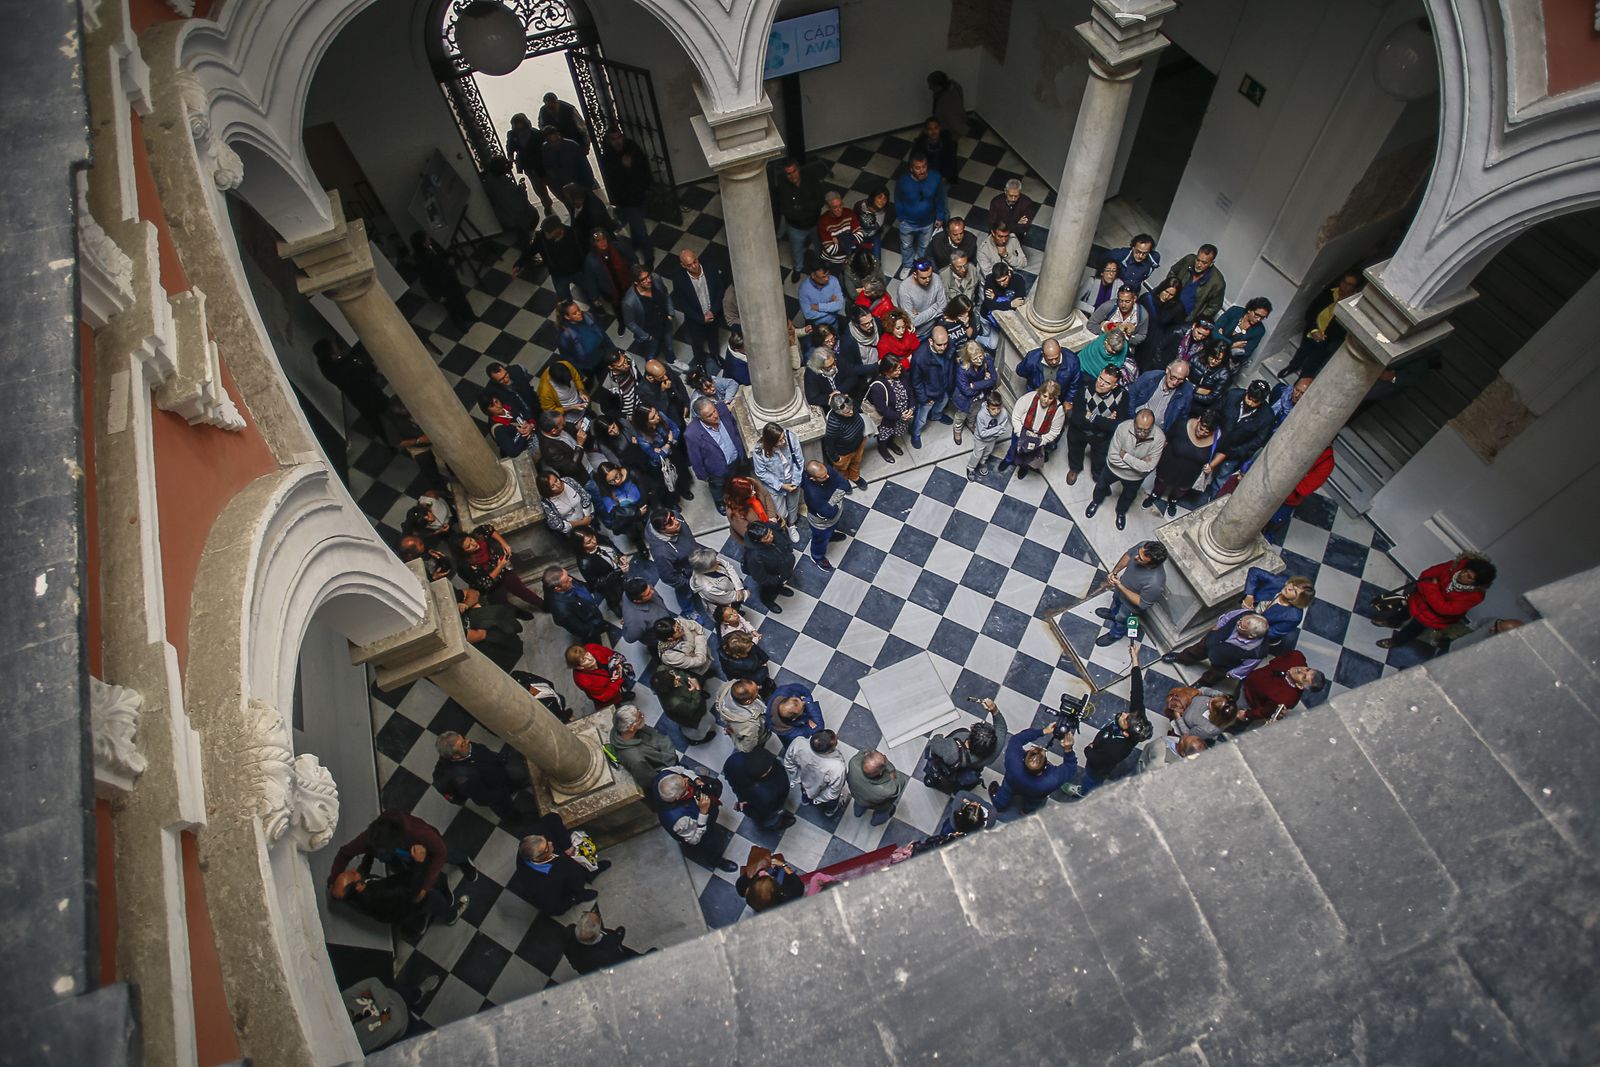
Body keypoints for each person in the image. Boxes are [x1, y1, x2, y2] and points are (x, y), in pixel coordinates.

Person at [328, 811, 474, 904]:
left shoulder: (418, 833)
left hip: (428, 849)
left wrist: (425, 887)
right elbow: (344, 853)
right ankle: (440, 883)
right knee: (420, 873)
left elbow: (440, 852)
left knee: (449, 854)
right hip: (403, 860)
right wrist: (334, 879)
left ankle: (464, 861)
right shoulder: (370, 838)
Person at [1072, 649, 1155, 794]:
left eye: (1124, 719)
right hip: (1103, 749)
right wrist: (1135, 659)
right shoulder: (1137, 717)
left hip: (1098, 768)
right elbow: (1137, 691)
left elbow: (1096, 761)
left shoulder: (1116, 749)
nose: (1123, 714)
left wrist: (1088, 749)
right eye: (1126, 715)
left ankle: (1084, 792)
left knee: (1091, 779)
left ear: (1126, 733)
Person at [1376, 556, 1497, 650]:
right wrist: (1435, 595)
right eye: (1465, 571)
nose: (1463, 574)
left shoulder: (1475, 596)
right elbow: (1425, 575)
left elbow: (1444, 609)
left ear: (1475, 584)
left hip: (1434, 616)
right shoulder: (1453, 566)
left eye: (1469, 577)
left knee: (1413, 629)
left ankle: (1396, 641)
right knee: (1404, 610)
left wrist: (1432, 587)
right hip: (1419, 599)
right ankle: (1392, 622)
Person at [1085, 410, 1166, 530]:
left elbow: (1149, 467)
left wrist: (1125, 456)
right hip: (1113, 469)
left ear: (1153, 426)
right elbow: (1113, 457)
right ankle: (1096, 501)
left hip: (1135, 478)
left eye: (1146, 430)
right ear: (1134, 423)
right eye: (1139, 429)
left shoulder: (1159, 438)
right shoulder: (1123, 428)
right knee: (1101, 486)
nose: (1142, 433)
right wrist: (1139, 463)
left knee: (1128, 496)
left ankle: (1121, 512)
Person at [514, 817, 610, 913]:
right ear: (537, 858)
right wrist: (572, 899)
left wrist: (567, 846)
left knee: (573, 870)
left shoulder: (534, 836)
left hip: (567, 864)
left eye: (546, 840)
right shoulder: (540, 883)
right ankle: (579, 894)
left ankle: (589, 872)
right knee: (573, 880)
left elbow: (552, 818)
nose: (551, 843)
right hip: (564, 888)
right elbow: (554, 906)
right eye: (547, 847)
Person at [431, 731, 533, 822]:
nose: (468, 741)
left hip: (497, 774)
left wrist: (498, 759)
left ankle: (514, 786)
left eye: (464, 739)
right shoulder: (463, 778)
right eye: (463, 744)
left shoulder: (467, 748)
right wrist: (502, 793)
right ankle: (516, 820)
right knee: (505, 809)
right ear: (456, 756)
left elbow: (484, 753)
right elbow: (483, 799)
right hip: (494, 791)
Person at [653, 767, 739, 871]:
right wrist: (703, 812)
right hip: (698, 831)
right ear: (678, 797)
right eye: (685, 784)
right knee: (709, 843)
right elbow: (694, 839)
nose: (686, 779)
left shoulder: (664, 776)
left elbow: (681, 770)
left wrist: (695, 779)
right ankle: (715, 860)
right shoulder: (679, 820)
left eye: (683, 779)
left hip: (695, 812)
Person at [1283, 270, 1363, 380]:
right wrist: (1314, 330)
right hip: (1313, 332)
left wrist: (1326, 337)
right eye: (1344, 282)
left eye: (1349, 285)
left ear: (1354, 288)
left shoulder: (1352, 307)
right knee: (1302, 352)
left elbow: (1346, 329)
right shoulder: (1328, 293)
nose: (1344, 286)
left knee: (1312, 364)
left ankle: (1301, 382)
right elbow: (1311, 312)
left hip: (1327, 341)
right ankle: (1292, 367)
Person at [1145, 406, 1221, 517]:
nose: (1202, 433)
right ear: (1199, 419)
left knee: (1181, 489)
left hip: (1190, 473)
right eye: (1201, 428)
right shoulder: (1181, 424)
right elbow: (1166, 440)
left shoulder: (1218, 438)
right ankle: (1154, 495)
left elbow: (1223, 452)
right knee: (1161, 482)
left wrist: (1212, 465)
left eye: (1206, 432)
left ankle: (1173, 501)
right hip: (1169, 464)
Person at [1090, 540, 1169, 647]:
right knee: (1116, 603)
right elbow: (1128, 555)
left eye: (1141, 559)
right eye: (1138, 552)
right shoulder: (1143, 547)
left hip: (1130, 606)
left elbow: (1142, 603)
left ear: (1152, 565)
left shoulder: (1155, 582)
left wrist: (1120, 586)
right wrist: (1114, 572)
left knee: (1121, 619)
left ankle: (1115, 634)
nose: (1136, 557)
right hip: (1120, 590)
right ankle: (1113, 614)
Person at [923, 698, 1009, 792]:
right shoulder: (996, 749)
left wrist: (938, 736)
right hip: (969, 769)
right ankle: (958, 789)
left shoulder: (951, 750)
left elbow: (934, 744)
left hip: (947, 767)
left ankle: (932, 778)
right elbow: (1001, 728)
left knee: (934, 765)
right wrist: (994, 710)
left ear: (970, 739)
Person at [1207, 379, 1277, 493]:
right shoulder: (1232, 395)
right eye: (1249, 398)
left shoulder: (1267, 417)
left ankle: (1213, 498)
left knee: (1221, 478)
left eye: (1255, 402)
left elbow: (1257, 441)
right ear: (1246, 393)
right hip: (1215, 441)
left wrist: (1236, 452)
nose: (1250, 403)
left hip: (1234, 452)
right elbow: (1215, 410)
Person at [988, 722, 1075, 813]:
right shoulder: (1052, 780)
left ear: (1024, 757)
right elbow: (1070, 767)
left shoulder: (1013, 759)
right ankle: (1026, 811)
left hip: (1011, 784)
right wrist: (1068, 749)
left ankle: (998, 806)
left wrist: (1043, 731)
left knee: (1005, 792)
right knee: (1033, 802)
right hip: (1035, 794)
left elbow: (1016, 739)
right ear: (1046, 766)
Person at [454, 525, 543, 613]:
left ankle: (544, 605)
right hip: (491, 586)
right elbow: (485, 583)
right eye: (469, 546)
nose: (473, 544)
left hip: (503, 572)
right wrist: (500, 566)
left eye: (470, 540)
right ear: (463, 552)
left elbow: (489, 529)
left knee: (522, 591)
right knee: (501, 603)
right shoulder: (465, 566)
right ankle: (518, 613)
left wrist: (504, 544)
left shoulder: (478, 535)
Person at [1064, 365, 1128, 487]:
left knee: (1100, 458)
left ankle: (1097, 474)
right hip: (1079, 431)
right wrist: (1105, 421)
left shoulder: (1122, 396)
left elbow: (1117, 426)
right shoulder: (1086, 387)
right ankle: (1075, 468)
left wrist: (1091, 416)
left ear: (1115, 386)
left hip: (1102, 437)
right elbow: (1077, 418)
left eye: (1107, 383)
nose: (1100, 384)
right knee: (1074, 450)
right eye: (1100, 378)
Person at [1171, 611, 1273, 686]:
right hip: (1212, 642)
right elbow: (1227, 617)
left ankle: (1202, 684)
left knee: (1214, 676)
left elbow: (1245, 668)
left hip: (1225, 663)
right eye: (1240, 621)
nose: (1238, 623)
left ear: (1251, 636)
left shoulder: (1258, 652)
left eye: (1242, 627)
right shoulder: (1245, 615)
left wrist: (1231, 674)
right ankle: (1181, 658)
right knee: (1196, 650)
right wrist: (1218, 627)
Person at [598, 127, 655, 262]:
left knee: (636, 224)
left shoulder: (632, 148)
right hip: (626, 199)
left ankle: (636, 242)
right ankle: (649, 256)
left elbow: (644, 167)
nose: (617, 142)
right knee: (639, 228)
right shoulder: (608, 156)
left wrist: (648, 186)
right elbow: (612, 179)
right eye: (613, 139)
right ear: (609, 141)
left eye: (619, 138)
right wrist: (622, 166)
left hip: (640, 194)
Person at [684, 396, 747, 514]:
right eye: (709, 415)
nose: (715, 415)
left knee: (737, 479)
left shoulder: (722, 409)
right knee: (718, 487)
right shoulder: (692, 434)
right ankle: (720, 502)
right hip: (716, 469)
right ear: (700, 418)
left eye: (714, 410)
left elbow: (733, 427)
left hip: (735, 459)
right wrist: (703, 475)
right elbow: (695, 458)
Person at [313, 336, 389, 433]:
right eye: (335, 347)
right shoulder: (343, 367)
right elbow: (362, 370)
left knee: (378, 420)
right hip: (369, 396)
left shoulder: (326, 367)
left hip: (359, 398)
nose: (338, 348)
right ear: (331, 353)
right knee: (385, 416)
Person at [671, 249, 728, 368]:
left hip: (713, 314)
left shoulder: (710, 268)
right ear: (683, 265)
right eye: (689, 265)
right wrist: (700, 318)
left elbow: (720, 290)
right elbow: (682, 303)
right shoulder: (679, 278)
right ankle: (700, 364)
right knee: (697, 343)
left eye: (695, 261)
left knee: (714, 337)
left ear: (697, 258)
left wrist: (713, 311)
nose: (694, 266)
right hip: (695, 319)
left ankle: (715, 355)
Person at [893, 156, 947, 277]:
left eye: (924, 167)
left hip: (927, 222)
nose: (922, 171)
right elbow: (898, 199)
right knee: (906, 246)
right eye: (918, 168)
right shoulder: (903, 181)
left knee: (925, 246)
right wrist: (901, 217)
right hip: (907, 222)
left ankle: (919, 264)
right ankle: (907, 265)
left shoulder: (935, 178)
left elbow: (940, 198)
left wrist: (939, 216)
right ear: (911, 169)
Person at [1001, 379, 1066, 480]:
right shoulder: (1028, 398)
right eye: (1044, 396)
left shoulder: (1058, 410)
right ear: (1040, 392)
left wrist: (1040, 441)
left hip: (1039, 438)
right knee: (1014, 447)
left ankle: (1024, 467)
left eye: (1050, 398)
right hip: (1022, 431)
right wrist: (1020, 434)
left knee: (1029, 456)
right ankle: (1008, 460)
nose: (1046, 400)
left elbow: (1055, 431)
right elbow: (1016, 416)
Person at [514, 216, 587, 304]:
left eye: (548, 232)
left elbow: (583, 250)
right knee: (564, 301)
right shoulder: (541, 238)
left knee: (589, 290)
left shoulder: (572, 233)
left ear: (558, 230)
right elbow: (531, 250)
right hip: (558, 275)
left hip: (577, 271)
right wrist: (519, 264)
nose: (546, 234)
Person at [1237, 652, 1327, 723]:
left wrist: (1247, 715)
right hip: (1249, 679)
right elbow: (1276, 661)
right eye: (1307, 669)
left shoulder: (1286, 699)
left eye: (1303, 677)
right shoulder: (1296, 657)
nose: (1300, 670)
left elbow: (1265, 711)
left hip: (1248, 699)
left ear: (1300, 686)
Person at [753, 422, 806, 541]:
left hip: (792, 480)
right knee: (780, 511)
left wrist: (795, 482)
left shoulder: (791, 438)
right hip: (775, 486)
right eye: (780, 440)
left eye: (783, 438)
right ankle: (782, 528)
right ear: (771, 442)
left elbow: (799, 461)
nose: (784, 442)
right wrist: (781, 485)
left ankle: (791, 525)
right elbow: (761, 472)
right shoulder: (759, 451)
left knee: (793, 506)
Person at [723, 746, 796, 831]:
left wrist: (741, 803)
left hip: (744, 794)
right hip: (766, 806)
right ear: (763, 774)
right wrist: (744, 808)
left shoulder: (734, 760)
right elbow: (759, 813)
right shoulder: (765, 793)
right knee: (769, 818)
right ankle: (776, 823)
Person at [644, 506, 704, 609]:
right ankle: (688, 610)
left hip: (694, 553)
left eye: (672, 516)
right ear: (662, 530)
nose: (676, 521)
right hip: (685, 572)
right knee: (685, 593)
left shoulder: (674, 516)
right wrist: (689, 584)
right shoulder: (662, 553)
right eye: (671, 523)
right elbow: (668, 577)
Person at [774, 157, 826, 277]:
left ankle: (820, 264)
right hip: (796, 227)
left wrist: (800, 208)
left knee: (819, 245)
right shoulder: (782, 187)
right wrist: (807, 208)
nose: (792, 176)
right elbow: (787, 211)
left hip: (815, 223)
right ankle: (798, 268)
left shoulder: (810, 178)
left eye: (794, 171)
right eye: (788, 173)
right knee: (796, 250)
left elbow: (820, 200)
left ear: (798, 169)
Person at [609, 704, 679, 791]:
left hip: (665, 752)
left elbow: (653, 733)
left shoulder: (623, 730)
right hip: (667, 766)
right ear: (631, 728)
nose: (643, 716)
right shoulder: (636, 759)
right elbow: (650, 780)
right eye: (640, 717)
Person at [454, 586, 524, 672]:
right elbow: (480, 635)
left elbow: (474, 593)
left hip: (494, 625)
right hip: (489, 644)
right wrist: (477, 611)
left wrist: (466, 604)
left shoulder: (448, 599)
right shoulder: (453, 633)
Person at [1240, 569, 1316, 646]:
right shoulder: (1280, 582)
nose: (1289, 588)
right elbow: (1254, 571)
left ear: (1298, 599)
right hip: (1255, 611)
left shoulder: (1293, 617)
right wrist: (1249, 595)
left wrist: (1248, 627)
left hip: (1260, 631)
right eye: (1293, 584)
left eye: (1295, 591)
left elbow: (1272, 632)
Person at [563, 905, 647, 975]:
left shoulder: (568, 932)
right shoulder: (607, 952)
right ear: (597, 935)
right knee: (626, 954)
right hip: (611, 963)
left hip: (582, 967)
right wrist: (615, 939)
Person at [783, 729, 848, 818]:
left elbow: (788, 762)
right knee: (832, 802)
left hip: (805, 783)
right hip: (822, 791)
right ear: (828, 751)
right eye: (836, 742)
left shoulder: (798, 743)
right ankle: (829, 811)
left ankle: (805, 800)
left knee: (805, 792)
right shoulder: (837, 767)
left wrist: (798, 777)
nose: (837, 738)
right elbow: (833, 792)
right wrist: (818, 798)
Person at [909, 325, 956, 447]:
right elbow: (916, 382)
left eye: (945, 343)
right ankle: (915, 433)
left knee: (940, 406)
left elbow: (952, 364)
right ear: (931, 341)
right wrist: (924, 398)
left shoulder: (949, 345)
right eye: (939, 345)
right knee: (921, 418)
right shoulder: (920, 357)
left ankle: (936, 416)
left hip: (945, 387)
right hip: (929, 394)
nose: (943, 347)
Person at [620, 264, 675, 365]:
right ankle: (651, 370)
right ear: (636, 282)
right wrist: (646, 336)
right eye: (644, 279)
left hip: (665, 321)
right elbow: (630, 323)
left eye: (648, 276)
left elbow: (665, 293)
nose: (649, 280)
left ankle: (672, 360)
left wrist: (670, 313)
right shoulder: (629, 301)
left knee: (669, 344)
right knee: (651, 352)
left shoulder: (655, 279)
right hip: (650, 331)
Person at [544, 566, 611, 645]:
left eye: (568, 575)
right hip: (589, 623)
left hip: (590, 609)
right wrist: (593, 631)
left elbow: (580, 584)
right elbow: (581, 630)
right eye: (566, 580)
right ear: (557, 589)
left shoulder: (566, 580)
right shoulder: (562, 612)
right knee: (594, 641)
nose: (571, 579)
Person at [581, 228, 636, 326]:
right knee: (618, 308)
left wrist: (637, 273)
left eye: (603, 239)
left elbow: (632, 259)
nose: (602, 242)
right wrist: (594, 297)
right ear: (594, 243)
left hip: (627, 283)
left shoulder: (618, 247)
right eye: (598, 241)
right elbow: (591, 280)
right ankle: (622, 322)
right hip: (610, 290)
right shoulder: (591, 260)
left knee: (634, 301)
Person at [1161, 244, 1227, 324]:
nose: (1199, 265)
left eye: (1204, 263)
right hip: (1167, 304)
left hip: (1185, 319)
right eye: (1198, 260)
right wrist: (1169, 292)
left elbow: (1214, 306)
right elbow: (1173, 273)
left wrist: (1197, 319)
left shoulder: (1217, 282)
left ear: (1211, 263)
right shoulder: (1189, 260)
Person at [1126, 359, 1194, 436]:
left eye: (1180, 379)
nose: (1175, 382)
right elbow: (1131, 395)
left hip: (1158, 433)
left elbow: (1182, 418)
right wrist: (1131, 418)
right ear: (1167, 370)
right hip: (1135, 424)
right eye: (1173, 377)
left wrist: (1168, 436)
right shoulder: (1149, 378)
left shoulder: (1187, 392)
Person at [742, 520, 798, 612]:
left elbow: (783, 538)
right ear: (758, 541)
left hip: (783, 568)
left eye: (770, 532)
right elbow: (761, 577)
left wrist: (789, 550)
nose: (771, 536)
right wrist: (776, 579)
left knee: (778, 584)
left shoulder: (771, 529)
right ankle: (767, 601)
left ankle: (779, 588)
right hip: (772, 576)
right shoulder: (754, 556)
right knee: (768, 589)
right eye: (766, 537)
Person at [801, 460, 848, 571]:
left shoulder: (823, 471)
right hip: (821, 523)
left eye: (826, 473)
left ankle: (830, 535)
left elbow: (845, 485)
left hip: (831, 517)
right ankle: (817, 557)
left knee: (831, 529)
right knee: (820, 540)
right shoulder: (813, 494)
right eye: (823, 477)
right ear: (813, 479)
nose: (827, 476)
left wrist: (833, 501)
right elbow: (830, 513)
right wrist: (838, 496)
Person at [866, 355, 913, 464]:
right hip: (887, 419)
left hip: (902, 416)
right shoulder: (878, 386)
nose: (899, 372)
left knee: (894, 433)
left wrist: (911, 407)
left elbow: (910, 392)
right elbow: (882, 409)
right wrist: (900, 415)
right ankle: (883, 449)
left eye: (899, 368)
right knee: (884, 436)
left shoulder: (903, 375)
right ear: (886, 371)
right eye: (895, 370)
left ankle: (891, 444)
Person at [950, 340, 997, 445]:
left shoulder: (987, 359)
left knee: (974, 412)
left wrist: (975, 385)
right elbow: (966, 391)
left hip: (979, 397)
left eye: (980, 356)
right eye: (975, 359)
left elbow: (993, 379)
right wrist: (985, 381)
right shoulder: (962, 369)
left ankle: (970, 424)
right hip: (964, 399)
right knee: (961, 416)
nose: (980, 361)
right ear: (968, 359)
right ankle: (957, 430)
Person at [1136, 281, 1188, 374]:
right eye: (1166, 292)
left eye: (1171, 294)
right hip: (1140, 334)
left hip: (1156, 343)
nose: (1167, 296)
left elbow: (1176, 328)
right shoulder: (1148, 298)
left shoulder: (1177, 307)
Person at [506, 112, 554, 212]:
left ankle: (552, 203)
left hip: (541, 164)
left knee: (552, 184)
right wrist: (510, 158)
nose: (519, 127)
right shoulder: (512, 135)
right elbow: (510, 148)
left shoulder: (536, 133)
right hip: (528, 166)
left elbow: (545, 149)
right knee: (538, 189)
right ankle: (547, 205)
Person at [725, 474, 782, 557]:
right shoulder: (734, 513)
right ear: (741, 498)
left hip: (768, 524)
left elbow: (766, 495)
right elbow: (749, 535)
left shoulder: (749, 483)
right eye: (750, 493)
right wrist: (767, 534)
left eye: (752, 489)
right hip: (759, 537)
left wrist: (771, 516)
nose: (754, 492)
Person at [822, 393, 870, 491]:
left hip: (858, 442)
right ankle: (843, 480)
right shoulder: (834, 424)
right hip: (844, 452)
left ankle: (854, 476)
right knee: (841, 469)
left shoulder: (850, 404)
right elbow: (829, 444)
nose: (851, 413)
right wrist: (836, 458)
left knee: (856, 462)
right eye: (847, 413)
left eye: (851, 409)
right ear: (837, 412)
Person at [846, 749, 906, 825]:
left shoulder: (853, 763)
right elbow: (899, 782)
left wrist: (874, 757)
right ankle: (874, 823)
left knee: (859, 805)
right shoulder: (887, 790)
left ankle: (857, 813)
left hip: (858, 796)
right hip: (878, 805)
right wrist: (889, 767)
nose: (884, 756)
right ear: (880, 772)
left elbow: (866, 750)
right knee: (881, 813)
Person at [566, 642, 635, 708]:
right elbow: (605, 695)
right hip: (608, 692)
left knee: (622, 684)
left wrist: (617, 662)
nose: (590, 658)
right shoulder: (584, 681)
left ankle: (622, 688)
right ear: (579, 667)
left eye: (587, 654)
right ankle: (620, 699)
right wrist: (619, 679)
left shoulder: (592, 647)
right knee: (614, 702)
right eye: (584, 660)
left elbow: (609, 653)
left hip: (614, 676)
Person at [737, 851, 806, 913]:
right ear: (776, 888)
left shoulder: (750, 898)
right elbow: (795, 879)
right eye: (771, 878)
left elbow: (741, 883)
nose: (764, 872)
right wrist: (783, 865)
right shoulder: (792, 895)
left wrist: (758, 872)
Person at [556, 298, 611, 373]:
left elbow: (602, 333)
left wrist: (612, 348)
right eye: (574, 313)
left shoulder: (588, 317)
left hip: (602, 356)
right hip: (587, 367)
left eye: (578, 309)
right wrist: (580, 374)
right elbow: (567, 358)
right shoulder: (565, 335)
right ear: (567, 317)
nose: (579, 313)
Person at [687, 546, 748, 612]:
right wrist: (744, 593)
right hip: (726, 602)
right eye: (714, 564)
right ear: (705, 570)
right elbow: (726, 598)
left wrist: (738, 587)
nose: (718, 562)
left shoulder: (710, 560)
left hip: (731, 587)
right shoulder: (708, 588)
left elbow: (727, 566)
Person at [1214, 297, 1272, 365]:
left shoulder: (1259, 331)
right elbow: (1214, 331)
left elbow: (1244, 353)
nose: (1258, 319)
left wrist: (1221, 338)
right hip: (1211, 348)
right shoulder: (1235, 311)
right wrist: (1232, 345)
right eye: (1257, 315)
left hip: (1227, 360)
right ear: (1249, 310)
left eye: (1262, 317)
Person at [1089, 284, 1149, 349]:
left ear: (1134, 299)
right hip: (1104, 345)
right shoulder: (1108, 306)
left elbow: (1142, 335)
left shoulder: (1142, 314)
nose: (1123, 305)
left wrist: (1128, 338)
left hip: (1124, 349)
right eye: (1120, 301)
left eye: (1127, 301)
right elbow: (1091, 324)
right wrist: (1106, 334)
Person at [539, 123, 594, 194]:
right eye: (551, 142)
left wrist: (588, 183)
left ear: (558, 135)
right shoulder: (545, 149)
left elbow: (584, 166)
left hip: (579, 181)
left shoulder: (572, 146)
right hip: (563, 184)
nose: (554, 144)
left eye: (556, 141)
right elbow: (548, 167)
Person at [967, 390, 1010, 481]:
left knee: (987, 453)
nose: (996, 412)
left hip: (992, 439)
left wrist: (994, 431)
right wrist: (997, 429)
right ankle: (970, 468)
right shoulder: (981, 415)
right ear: (987, 406)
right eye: (993, 409)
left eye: (998, 408)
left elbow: (1003, 429)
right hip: (980, 440)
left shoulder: (1004, 413)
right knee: (977, 455)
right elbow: (982, 434)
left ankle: (983, 463)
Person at [718, 627, 773, 696]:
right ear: (739, 654)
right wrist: (764, 666)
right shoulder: (749, 664)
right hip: (752, 677)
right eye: (749, 648)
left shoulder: (725, 650)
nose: (752, 645)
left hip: (736, 676)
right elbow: (757, 674)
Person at [620, 577, 673, 648]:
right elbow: (630, 638)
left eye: (650, 588)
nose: (653, 592)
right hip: (659, 638)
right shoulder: (636, 621)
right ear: (637, 601)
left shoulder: (636, 589)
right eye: (648, 594)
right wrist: (626, 624)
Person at [816, 190, 862, 270]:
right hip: (833, 261)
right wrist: (849, 238)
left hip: (850, 257)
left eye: (840, 205)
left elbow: (860, 236)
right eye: (835, 207)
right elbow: (831, 250)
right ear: (828, 207)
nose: (839, 209)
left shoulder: (849, 213)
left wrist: (838, 240)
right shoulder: (823, 222)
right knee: (834, 278)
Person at [480, 393, 536, 459]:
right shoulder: (497, 429)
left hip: (535, 439)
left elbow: (527, 413)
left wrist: (531, 425)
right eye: (492, 406)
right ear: (487, 411)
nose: (497, 406)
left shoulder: (509, 405)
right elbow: (513, 452)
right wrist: (525, 433)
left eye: (496, 401)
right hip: (527, 455)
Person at [767, 682, 824, 746]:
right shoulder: (793, 734)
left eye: (799, 700)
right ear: (794, 718)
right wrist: (808, 702)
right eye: (802, 708)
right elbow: (819, 727)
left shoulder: (783, 691)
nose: (803, 702)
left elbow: (801, 689)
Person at [1187, 338, 1235, 412]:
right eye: (1211, 357)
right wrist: (1195, 389)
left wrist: (1190, 393)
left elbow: (1211, 397)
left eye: (1218, 360)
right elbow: (1183, 377)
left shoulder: (1224, 374)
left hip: (1198, 405)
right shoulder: (1197, 358)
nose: (1213, 361)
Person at [798, 260, 847, 331]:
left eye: (828, 275)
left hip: (833, 324)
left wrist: (818, 307)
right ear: (813, 275)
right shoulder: (804, 289)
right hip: (816, 327)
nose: (827, 278)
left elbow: (839, 305)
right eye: (823, 276)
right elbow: (808, 314)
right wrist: (831, 307)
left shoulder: (833, 280)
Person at [911, 115, 960, 183]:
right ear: (925, 131)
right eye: (930, 129)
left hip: (942, 171)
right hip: (927, 172)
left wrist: (945, 176)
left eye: (936, 128)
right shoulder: (920, 144)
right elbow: (914, 162)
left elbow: (951, 160)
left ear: (940, 128)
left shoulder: (946, 140)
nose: (933, 132)